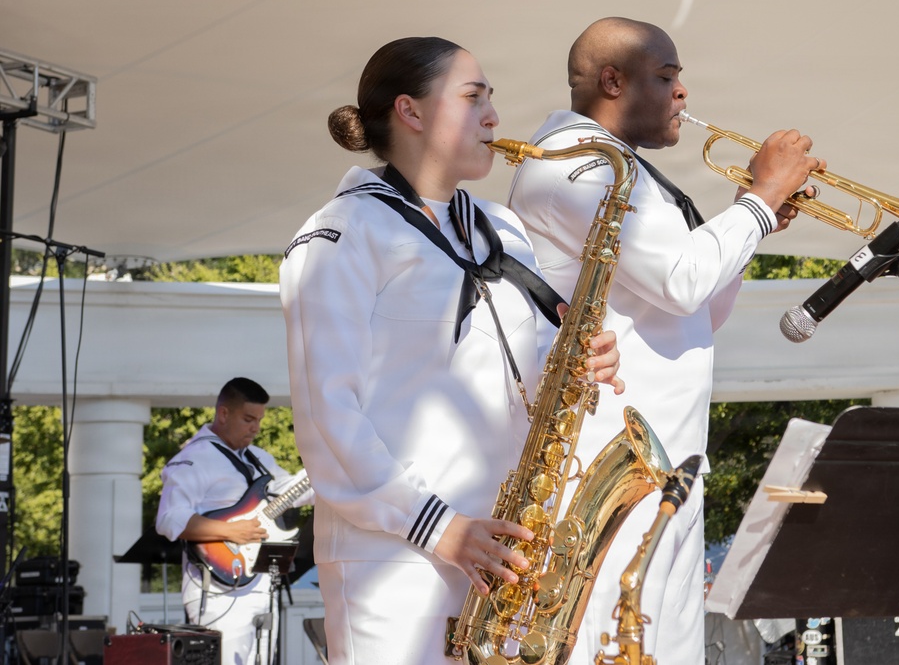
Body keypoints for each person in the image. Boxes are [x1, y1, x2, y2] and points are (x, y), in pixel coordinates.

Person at [279, 37, 624, 665]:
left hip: (503, 550)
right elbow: (328, 418)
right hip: (393, 562)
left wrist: (582, 360)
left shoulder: (503, 228)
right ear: (411, 112)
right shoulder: (340, 233)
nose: (494, 116)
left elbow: (528, 370)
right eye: (473, 97)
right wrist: (440, 527)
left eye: (491, 97)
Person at [506, 17, 826, 665]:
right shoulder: (574, 163)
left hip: (667, 469)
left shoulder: (626, 169)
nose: (683, 93)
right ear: (612, 80)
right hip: (607, 477)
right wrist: (759, 200)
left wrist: (750, 220)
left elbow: (698, 314)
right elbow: (682, 282)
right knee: (608, 644)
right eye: (667, 76)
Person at [156, 377, 314, 665]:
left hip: (261, 581)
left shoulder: (258, 457)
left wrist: (325, 472)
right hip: (218, 589)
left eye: (259, 420)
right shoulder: (193, 458)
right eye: (248, 419)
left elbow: (289, 491)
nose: (255, 428)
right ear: (224, 414)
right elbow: (169, 519)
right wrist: (229, 531)